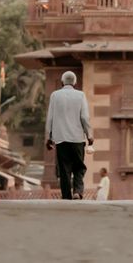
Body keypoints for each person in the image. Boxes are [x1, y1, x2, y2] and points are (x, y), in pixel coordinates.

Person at [45, 69, 94, 200]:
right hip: (77, 138)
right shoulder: (81, 95)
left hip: (60, 139)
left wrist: (49, 138)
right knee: (79, 166)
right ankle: (77, 191)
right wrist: (89, 135)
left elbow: (50, 118)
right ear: (75, 83)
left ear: (62, 82)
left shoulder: (55, 95)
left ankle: (66, 196)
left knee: (64, 169)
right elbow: (84, 117)